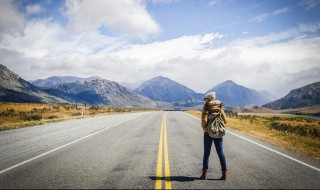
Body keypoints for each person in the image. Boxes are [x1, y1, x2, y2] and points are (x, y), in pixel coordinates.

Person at [199, 92, 228, 180]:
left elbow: (204, 121)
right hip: (218, 133)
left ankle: (204, 174)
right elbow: (225, 120)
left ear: (210, 99)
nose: (205, 100)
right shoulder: (219, 107)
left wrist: (205, 128)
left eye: (206, 98)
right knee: (220, 152)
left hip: (208, 133)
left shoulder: (206, 108)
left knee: (207, 153)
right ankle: (224, 174)